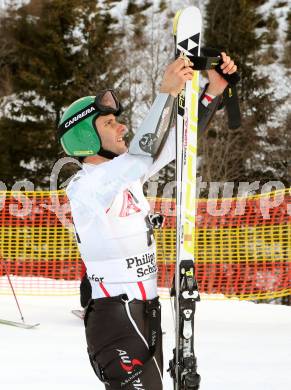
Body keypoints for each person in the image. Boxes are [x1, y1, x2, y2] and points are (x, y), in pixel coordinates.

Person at [58, 53, 237, 390]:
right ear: (85, 137)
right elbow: (143, 154)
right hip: (116, 320)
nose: (121, 126)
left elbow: (178, 144)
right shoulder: (86, 188)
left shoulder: (126, 176)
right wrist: (166, 92)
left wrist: (213, 91)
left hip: (144, 313)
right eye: (109, 123)